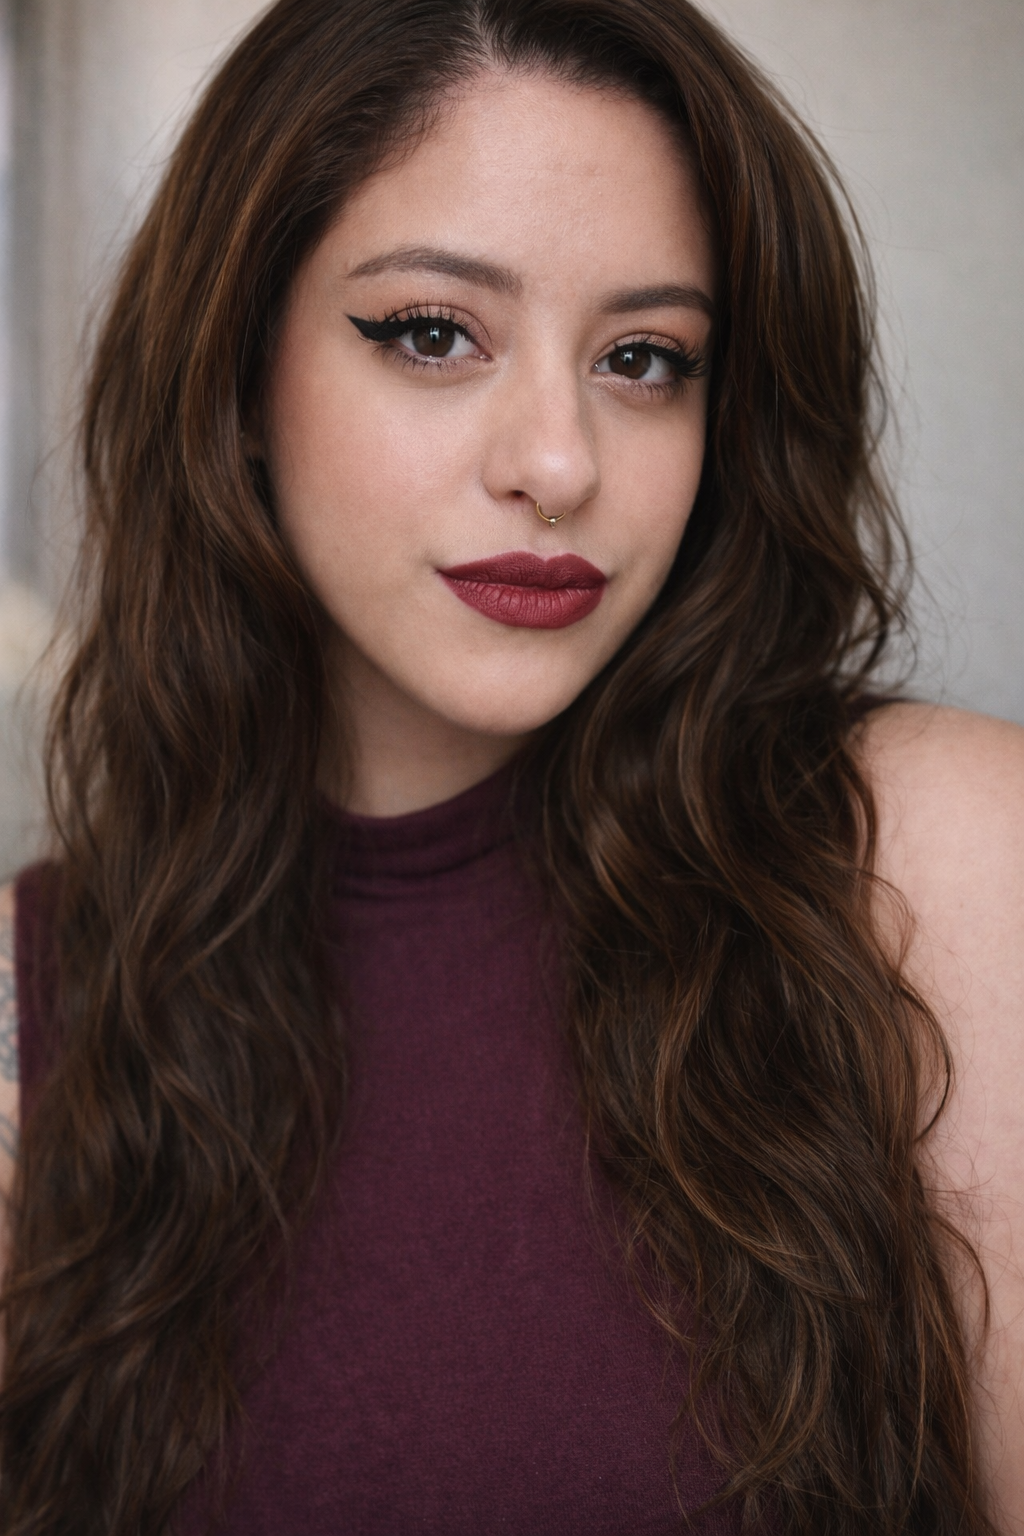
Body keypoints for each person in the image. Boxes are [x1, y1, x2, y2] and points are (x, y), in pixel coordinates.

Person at [0, 0, 1021, 1531]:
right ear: (237, 378)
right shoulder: (33, 1008)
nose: (559, 462)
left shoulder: (931, 857)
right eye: (432, 333)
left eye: (644, 358)